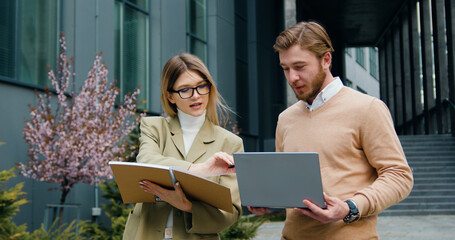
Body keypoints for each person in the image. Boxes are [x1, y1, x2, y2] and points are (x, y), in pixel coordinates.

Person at [248, 21, 414, 239]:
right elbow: (290, 184)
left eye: (299, 67)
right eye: (285, 69)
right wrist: (267, 199)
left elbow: (399, 176)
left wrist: (350, 207)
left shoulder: (368, 108)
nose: (292, 78)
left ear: (326, 59)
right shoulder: (286, 119)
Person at [123, 53, 243, 240]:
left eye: (201, 86)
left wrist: (188, 206)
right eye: (185, 90)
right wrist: (200, 170)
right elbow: (146, 161)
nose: (196, 95)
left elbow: (231, 212)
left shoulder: (230, 143)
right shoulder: (154, 127)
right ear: (170, 96)